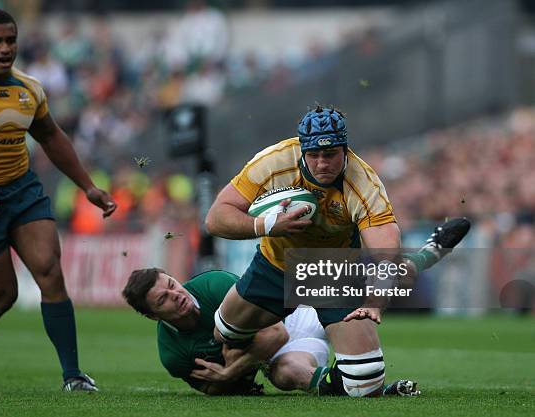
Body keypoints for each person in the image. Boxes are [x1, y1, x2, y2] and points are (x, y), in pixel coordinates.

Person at [205, 105, 470, 397]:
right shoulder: (273, 162)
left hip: (332, 270)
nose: (322, 163)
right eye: (314, 155)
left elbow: (385, 257)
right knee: (225, 332)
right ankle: (426, 255)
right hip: (277, 264)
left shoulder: (364, 184)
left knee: (364, 380)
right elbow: (215, 218)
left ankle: (429, 253)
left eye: (330, 154)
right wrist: (268, 224)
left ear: (345, 150)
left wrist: (373, 303)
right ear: (301, 151)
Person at [0, 9, 117, 392]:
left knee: (50, 271)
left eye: (10, 40)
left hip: (23, 192)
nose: (5, 48)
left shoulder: (29, 88)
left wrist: (87, 186)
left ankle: (73, 376)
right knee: (3, 295)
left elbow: (51, 136)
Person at [122, 268, 421, 396]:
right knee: (285, 374)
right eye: (163, 299)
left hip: (296, 315)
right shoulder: (172, 353)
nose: (177, 294)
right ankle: (375, 389)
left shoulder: (213, 285)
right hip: (282, 350)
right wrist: (226, 382)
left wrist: (230, 372)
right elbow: (208, 388)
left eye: (172, 284)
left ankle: (409, 265)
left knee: (360, 304)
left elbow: (276, 334)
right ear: (152, 316)